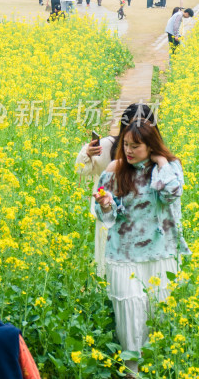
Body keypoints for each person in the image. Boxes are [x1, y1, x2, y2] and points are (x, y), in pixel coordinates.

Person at [94, 120, 189, 375]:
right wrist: (104, 204)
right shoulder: (115, 170)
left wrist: (160, 162)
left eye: (135, 146)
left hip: (160, 254)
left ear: (152, 146)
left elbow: (171, 193)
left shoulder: (170, 168)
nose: (128, 150)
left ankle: (158, 370)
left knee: (159, 317)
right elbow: (106, 213)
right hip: (124, 255)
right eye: (125, 144)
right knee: (130, 317)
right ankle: (132, 373)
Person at [75, 104, 157, 279]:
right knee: (108, 268)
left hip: (141, 223)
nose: (137, 131)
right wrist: (87, 153)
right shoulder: (108, 146)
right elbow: (81, 169)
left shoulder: (155, 155)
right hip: (109, 219)